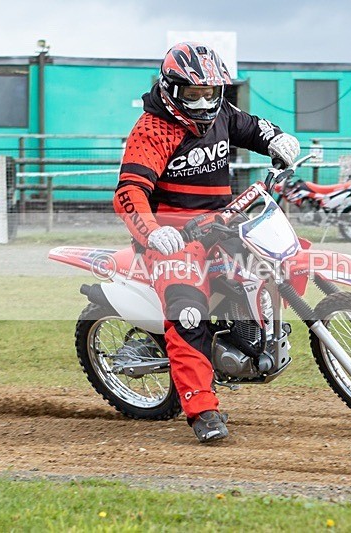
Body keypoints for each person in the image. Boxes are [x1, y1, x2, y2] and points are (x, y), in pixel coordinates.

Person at [113, 42, 300, 443]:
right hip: (172, 236)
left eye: (210, 93)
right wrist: (153, 232)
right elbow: (129, 191)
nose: (202, 103)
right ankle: (202, 409)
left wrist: (279, 140)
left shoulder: (224, 115)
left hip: (223, 221)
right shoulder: (151, 129)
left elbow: (257, 128)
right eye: (192, 94)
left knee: (282, 258)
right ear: (170, 89)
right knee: (189, 311)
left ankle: (250, 338)